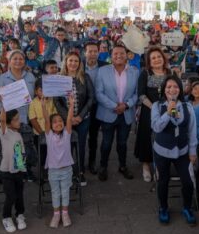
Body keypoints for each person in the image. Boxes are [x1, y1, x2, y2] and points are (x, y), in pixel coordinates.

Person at [151, 75, 198, 226]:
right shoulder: (157, 106)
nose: (172, 89)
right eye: (169, 87)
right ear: (164, 90)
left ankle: (187, 207)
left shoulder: (188, 107)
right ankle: (163, 208)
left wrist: (192, 151)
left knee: (188, 181)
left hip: (182, 150)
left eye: (176, 86)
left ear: (181, 89)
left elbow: (192, 131)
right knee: (163, 180)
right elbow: (156, 127)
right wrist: (168, 111)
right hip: (162, 150)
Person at [95, 45, 139, 181]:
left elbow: (137, 94)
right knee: (106, 142)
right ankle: (103, 166)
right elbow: (99, 93)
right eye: (115, 54)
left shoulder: (134, 71)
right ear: (111, 56)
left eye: (121, 53)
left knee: (122, 143)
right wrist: (115, 106)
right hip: (108, 112)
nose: (118, 56)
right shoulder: (102, 71)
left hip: (126, 113)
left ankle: (123, 166)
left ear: (126, 55)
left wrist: (126, 105)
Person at [0, 50, 37, 181]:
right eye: (15, 59)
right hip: (10, 122)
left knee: (28, 147)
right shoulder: (2, 79)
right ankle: (18, 171)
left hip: (26, 119)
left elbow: (35, 97)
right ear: (9, 61)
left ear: (25, 61)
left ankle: (27, 170)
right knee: (14, 149)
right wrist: (2, 121)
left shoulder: (30, 77)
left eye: (21, 59)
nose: (18, 61)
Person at [54, 52, 94, 186]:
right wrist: (69, 118)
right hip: (66, 120)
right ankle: (69, 172)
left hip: (83, 119)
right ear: (65, 62)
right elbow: (57, 101)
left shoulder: (85, 77)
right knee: (67, 146)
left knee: (81, 146)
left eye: (76, 61)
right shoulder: (59, 78)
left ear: (80, 63)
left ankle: (81, 172)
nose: (73, 63)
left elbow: (91, 98)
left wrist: (80, 116)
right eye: (70, 60)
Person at [134, 47, 170, 182]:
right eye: (153, 58)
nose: (156, 60)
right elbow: (141, 95)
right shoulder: (145, 73)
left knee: (164, 136)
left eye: (159, 57)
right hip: (148, 110)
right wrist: (154, 108)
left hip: (166, 111)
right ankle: (146, 165)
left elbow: (173, 89)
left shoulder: (169, 72)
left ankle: (160, 165)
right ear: (149, 61)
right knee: (146, 137)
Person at [44, 95, 75, 228]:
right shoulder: (49, 135)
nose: (58, 123)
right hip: (53, 171)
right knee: (55, 193)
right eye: (55, 122)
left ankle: (65, 213)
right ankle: (56, 214)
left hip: (66, 170)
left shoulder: (67, 134)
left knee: (65, 192)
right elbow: (46, 119)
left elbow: (69, 118)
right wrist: (43, 105)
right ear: (50, 126)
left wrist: (71, 104)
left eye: (60, 121)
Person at [0, 98, 28, 233]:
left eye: (18, 118)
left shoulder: (17, 133)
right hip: (7, 172)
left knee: (19, 194)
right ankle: (6, 217)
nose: (19, 121)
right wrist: (4, 104)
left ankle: (20, 214)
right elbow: (2, 119)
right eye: (15, 119)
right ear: (8, 123)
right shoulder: (5, 133)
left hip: (19, 170)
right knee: (11, 196)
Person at [84, 42, 102, 175]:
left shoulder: (105, 66)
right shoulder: (78, 65)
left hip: (98, 106)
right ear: (85, 53)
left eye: (95, 51)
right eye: (90, 51)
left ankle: (92, 161)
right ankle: (77, 163)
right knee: (80, 136)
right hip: (81, 107)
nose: (93, 54)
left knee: (94, 136)